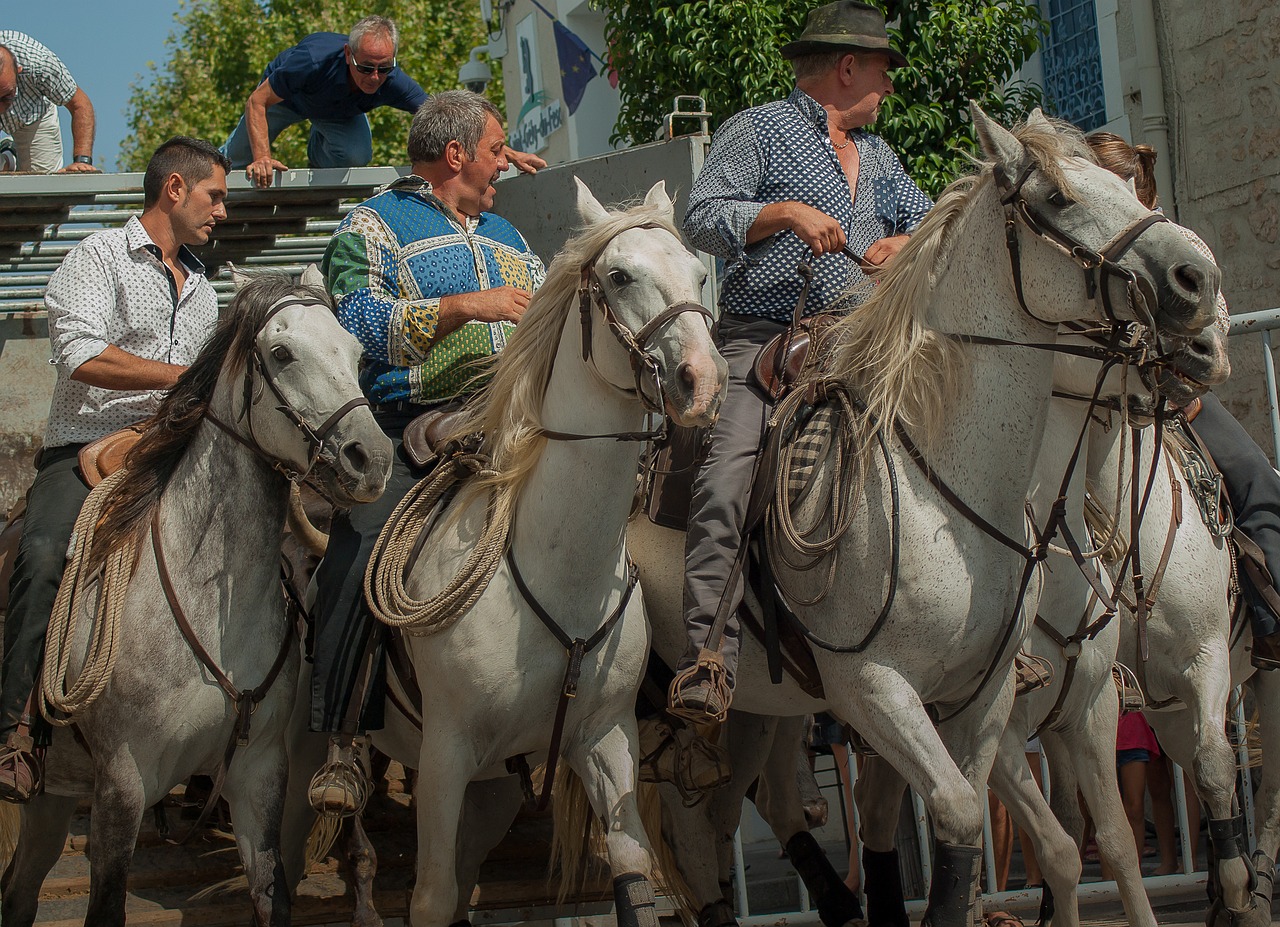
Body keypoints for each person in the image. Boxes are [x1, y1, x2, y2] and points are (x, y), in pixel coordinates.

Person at [667, 1, 932, 723]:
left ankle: (979, 631)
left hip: (867, 342)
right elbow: (700, 215)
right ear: (848, 69)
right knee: (726, 480)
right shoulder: (756, 130)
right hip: (766, 340)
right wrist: (783, 213)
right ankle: (707, 657)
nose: (889, 87)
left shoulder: (881, 158)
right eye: (883, 71)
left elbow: (933, 219)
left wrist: (901, 247)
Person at [308, 90, 545, 815]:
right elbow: (359, 322)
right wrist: (463, 307)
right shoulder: (370, 226)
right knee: (360, 544)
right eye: (498, 149)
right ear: (456, 153)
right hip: (411, 420)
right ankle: (343, 741)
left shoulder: (508, 231)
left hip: (517, 424)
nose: (506, 162)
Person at [0, 137, 229, 801]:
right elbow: (79, 354)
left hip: (175, 452)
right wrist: (184, 376)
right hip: (85, 448)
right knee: (41, 553)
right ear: (175, 190)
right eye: (215, 195)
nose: (222, 210)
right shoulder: (96, 255)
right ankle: (18, 729)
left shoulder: (207, 288)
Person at [1086, 131, 1280, 670]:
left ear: (1134, 189)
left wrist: (1175, 391)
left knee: (1255, 479)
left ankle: (1272, 619)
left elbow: (1212, 337)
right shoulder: (1085, 246)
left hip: (1174, 404)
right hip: (1088, 402)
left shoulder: (1185, 246)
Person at [222, 15, 544, 187]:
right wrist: (263, 156)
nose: (374, 78)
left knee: (356, 153)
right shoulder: (311, 60)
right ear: (349, 54)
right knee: (237, 162)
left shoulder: (392, 81)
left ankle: (318, 155)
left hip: (336, 112)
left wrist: (504, 150)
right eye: (365, 68)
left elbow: (449, 120)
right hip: (287, 99)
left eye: (383, 68)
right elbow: (257, 102)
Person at [0, 31, 98, 174]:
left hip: (33, 114)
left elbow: (80, 105)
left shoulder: (39, 62)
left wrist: (81, 161)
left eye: (6, 95)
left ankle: (11, 155)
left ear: (19, 69)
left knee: (40, 186)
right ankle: (6, 160)